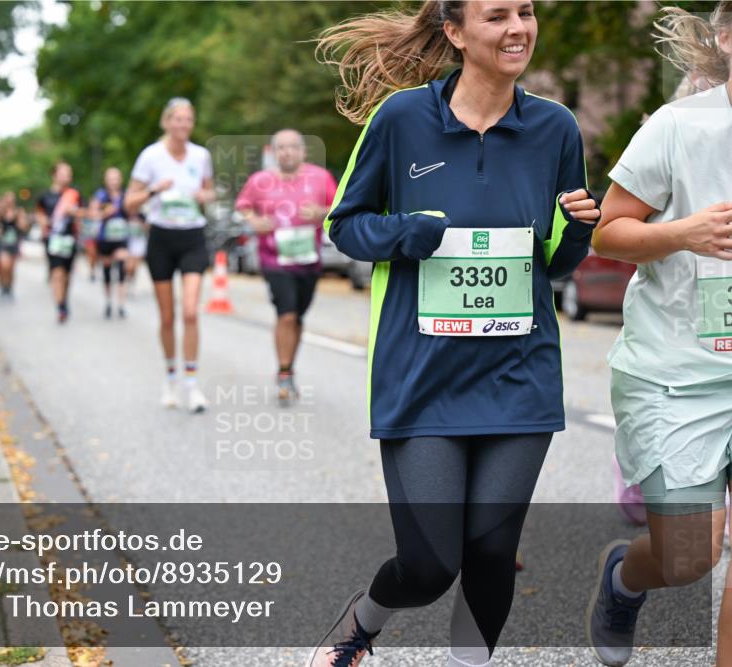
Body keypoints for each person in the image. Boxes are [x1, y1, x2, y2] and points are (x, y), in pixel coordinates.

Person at [309, 2, 601, 666]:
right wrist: (406, 233)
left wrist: (579, 229)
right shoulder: (403, 119)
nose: (518, 28)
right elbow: (346, 223)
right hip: (424, 376)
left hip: (518, 375)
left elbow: (553, 261)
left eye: (525, 11)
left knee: (493, 550)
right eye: (497, 15)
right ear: (455, 33)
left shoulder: (554, 127)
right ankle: (361, 624)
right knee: (430, 564)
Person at [584, 4, 732, 666]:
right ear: (726, 39)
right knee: (688, 556)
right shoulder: (680, 126)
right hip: (677, 373)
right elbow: (609, 230)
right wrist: (683, 232)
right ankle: (625, 576)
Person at [124, 97, 216, 413]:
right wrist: (153, 191)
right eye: (177, 119)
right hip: (161, 237)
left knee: (190, 311)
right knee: (167, 316)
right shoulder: (150, 157)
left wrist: (205, 195)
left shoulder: (201, 155)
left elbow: (209, 190)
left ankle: (191, 385)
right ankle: (170, 377)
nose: (183, 125)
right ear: (166, 122)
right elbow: (128, 203)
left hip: (192, 236)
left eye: (188, 120)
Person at [235, 129, 338, 406]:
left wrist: (321, 213)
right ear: (273, 152)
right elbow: (243, 206)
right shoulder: (260, 181)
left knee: (298, 317)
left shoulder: (320, 177)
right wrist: (254, 221)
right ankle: (283, 373)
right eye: (281, 148)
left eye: (292, 147)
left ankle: (289, 367)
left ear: (303, 151)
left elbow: (339, 207)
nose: (287, 152)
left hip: (308, 260)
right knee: (287, 315)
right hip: (274, 259)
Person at [44, 163, 84, 323]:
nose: (67, 176)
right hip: (53, 239)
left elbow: (83, 212)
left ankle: (64, 299)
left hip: (70, 239)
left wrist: (75, 213)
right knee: (57, 272)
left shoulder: (74, 194)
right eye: (63, 173)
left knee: (67, 274)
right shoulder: (46, 196)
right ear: (54, 175)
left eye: (69, 173)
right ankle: (60, 306)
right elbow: (39, 215)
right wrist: (44, 222)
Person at [89, 167, 131, 319]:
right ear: (106, 180)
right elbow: (92, 214)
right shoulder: (100, 196)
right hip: (105, 238)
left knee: (121, 268)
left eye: (116, 178)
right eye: (110, 178)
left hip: (121, 237)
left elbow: (133, 213)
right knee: (107, 271)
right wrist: (105, 213)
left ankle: (121, 304)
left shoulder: (125, 195)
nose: (113, 181)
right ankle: (108, 302)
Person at [0, 191, 29, 299]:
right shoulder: (0, 212)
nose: (10, 201)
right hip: (3, 243)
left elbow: (24, 226)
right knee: (4, 266)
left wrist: (21, 222)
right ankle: (3, 285)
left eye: (12, 199)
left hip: (14, 243)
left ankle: (9, 287)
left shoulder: (18, 212)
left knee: (11, 268)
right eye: (7, 199)